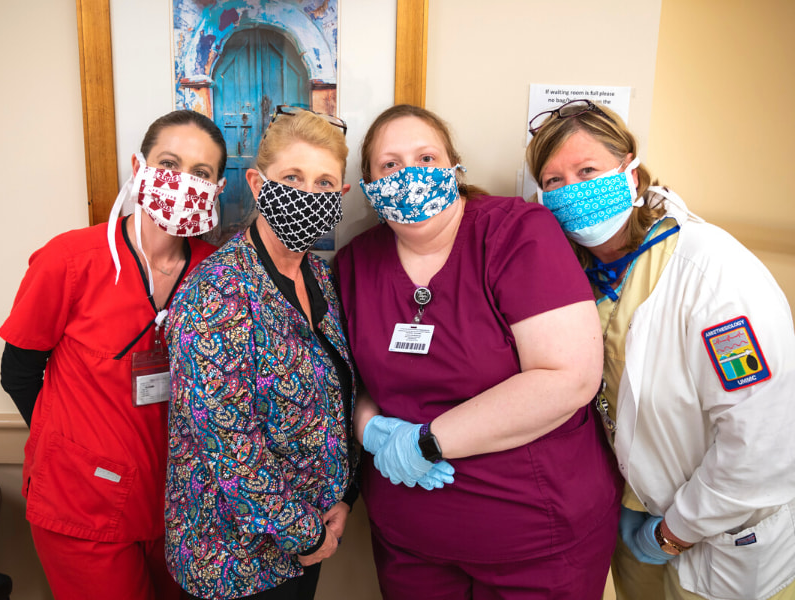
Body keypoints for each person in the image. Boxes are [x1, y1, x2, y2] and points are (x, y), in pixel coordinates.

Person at [334, 104, 622, 599]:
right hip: (410, 545)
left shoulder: (516, 232)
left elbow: (569, 376)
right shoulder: (355, 263)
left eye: (426, 157)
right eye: (390, 165)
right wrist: (371, 430)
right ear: (368, 186)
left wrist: (428, 441)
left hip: (536, 542)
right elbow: (343, 380)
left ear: (453, 167)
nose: (410, 174)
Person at [525, 98, 795, 600]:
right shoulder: (579, 270)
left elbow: (763, 438)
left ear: (630, 170)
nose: (573, 191)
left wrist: (677, 529)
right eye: (555, 181)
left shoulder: (711, 273)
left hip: (722, 533)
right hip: (636, 513)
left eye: (588, 170)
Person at [0, 109, 227, 599]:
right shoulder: (70, 260)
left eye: (201, 173)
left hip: (182, 507)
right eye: (169, 163)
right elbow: (18, 371)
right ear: (138, 166)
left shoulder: (217, 274)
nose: (183, 181)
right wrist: (70, 448)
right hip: (81, 503)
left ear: (218, 188)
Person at [164, 106, 357, 600]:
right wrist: (307, 532)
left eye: (323, 183)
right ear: (256, 182)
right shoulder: (218, 291)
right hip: (233, 559)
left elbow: (338, 396)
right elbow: (230, 446)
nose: (306, 195)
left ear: (340, 197)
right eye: (291, 177)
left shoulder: (320, 278)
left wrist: (344, 499)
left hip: (308, 539)